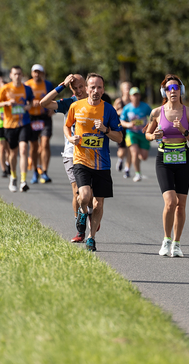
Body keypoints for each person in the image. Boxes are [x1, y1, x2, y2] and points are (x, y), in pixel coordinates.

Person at [143, 75, 189, 258]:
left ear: (181, 91)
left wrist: (184, 131)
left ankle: (176, 243)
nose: (173, 91)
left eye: (176, 87)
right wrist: (154, 136)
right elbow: (147, 134)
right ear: (164, 92)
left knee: (181, 205)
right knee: (170, 202)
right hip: (164, 159)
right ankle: (166, 239)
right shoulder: (157, 112)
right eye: (169, 88)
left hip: (183, 159)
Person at [64, 73, 123, 252]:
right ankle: (82, 213)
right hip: (81, 159)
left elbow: (119, 137)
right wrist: (70, 138)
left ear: (103, 90)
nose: (95, 91)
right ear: (86, 89)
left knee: (98, 203)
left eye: (99, 87)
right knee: (84, 195)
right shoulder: (76, 106)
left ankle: (91, 237)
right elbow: (67, 125)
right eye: (92, 87)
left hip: (102, 163)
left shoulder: (109, 110)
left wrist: (105, 130)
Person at [40, 73, 88, 243]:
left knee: (91, 196)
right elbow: (43, 103)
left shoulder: (97, 101)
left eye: (81, 86)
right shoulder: (69, 102)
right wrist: (61, 86)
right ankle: (79, 225)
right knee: (77, 192)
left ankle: (92, 216)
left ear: (87, 85)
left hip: (93, 154)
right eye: (75, 88)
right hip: (71, 153)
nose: (79, 90)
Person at [0, 66, 34, 192]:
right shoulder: (5, 88)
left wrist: (28, 107)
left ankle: (23, 180)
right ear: (11, 75)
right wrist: (6, 103)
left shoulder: (27, 89)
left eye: (19, 74)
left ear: (22, 75)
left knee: (23, 150)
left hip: (23, 123)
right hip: (9, 125)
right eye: (15, 74)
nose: (17, 76)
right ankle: (13, 176)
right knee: (13, 154)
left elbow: (31, 102)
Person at [25, 64, 55, 184]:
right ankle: (35, 171)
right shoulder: (27, 85)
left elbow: (53, 99)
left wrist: (52, 109)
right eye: (35, 72)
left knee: (45, 143)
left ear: (42, 73)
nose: (37, 74)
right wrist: (32, 103)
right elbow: (23, 100)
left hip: (44, 118)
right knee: (34, 147)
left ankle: (44, 171)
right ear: (32, 73)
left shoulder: (47, 85)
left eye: (39, 72)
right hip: (31, 118)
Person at [120, 87, 152, 182]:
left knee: (144, 157)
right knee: (134, 152)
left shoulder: (145, 107)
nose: (136, 97)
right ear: (130, 96)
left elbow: (153, 118)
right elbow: (121, 121)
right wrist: (129, 124)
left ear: (140, 96)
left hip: (142, 134)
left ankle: (137, 159)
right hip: (131, 133)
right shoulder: (127, 108)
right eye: (134, 95)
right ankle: (138, 174)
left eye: (137, 94)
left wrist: (149, 126)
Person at [113, 81, 133, 173]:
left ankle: (127, 169)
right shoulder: (118, 101)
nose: (128, 90)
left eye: (129, 87)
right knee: (122, 151)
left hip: (131, 128)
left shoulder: (133, 102)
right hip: (121, 128)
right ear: (122, 90)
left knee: (130, 148)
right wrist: (119, 112)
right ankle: (120, 160)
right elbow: (112, 113)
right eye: (126, 88)